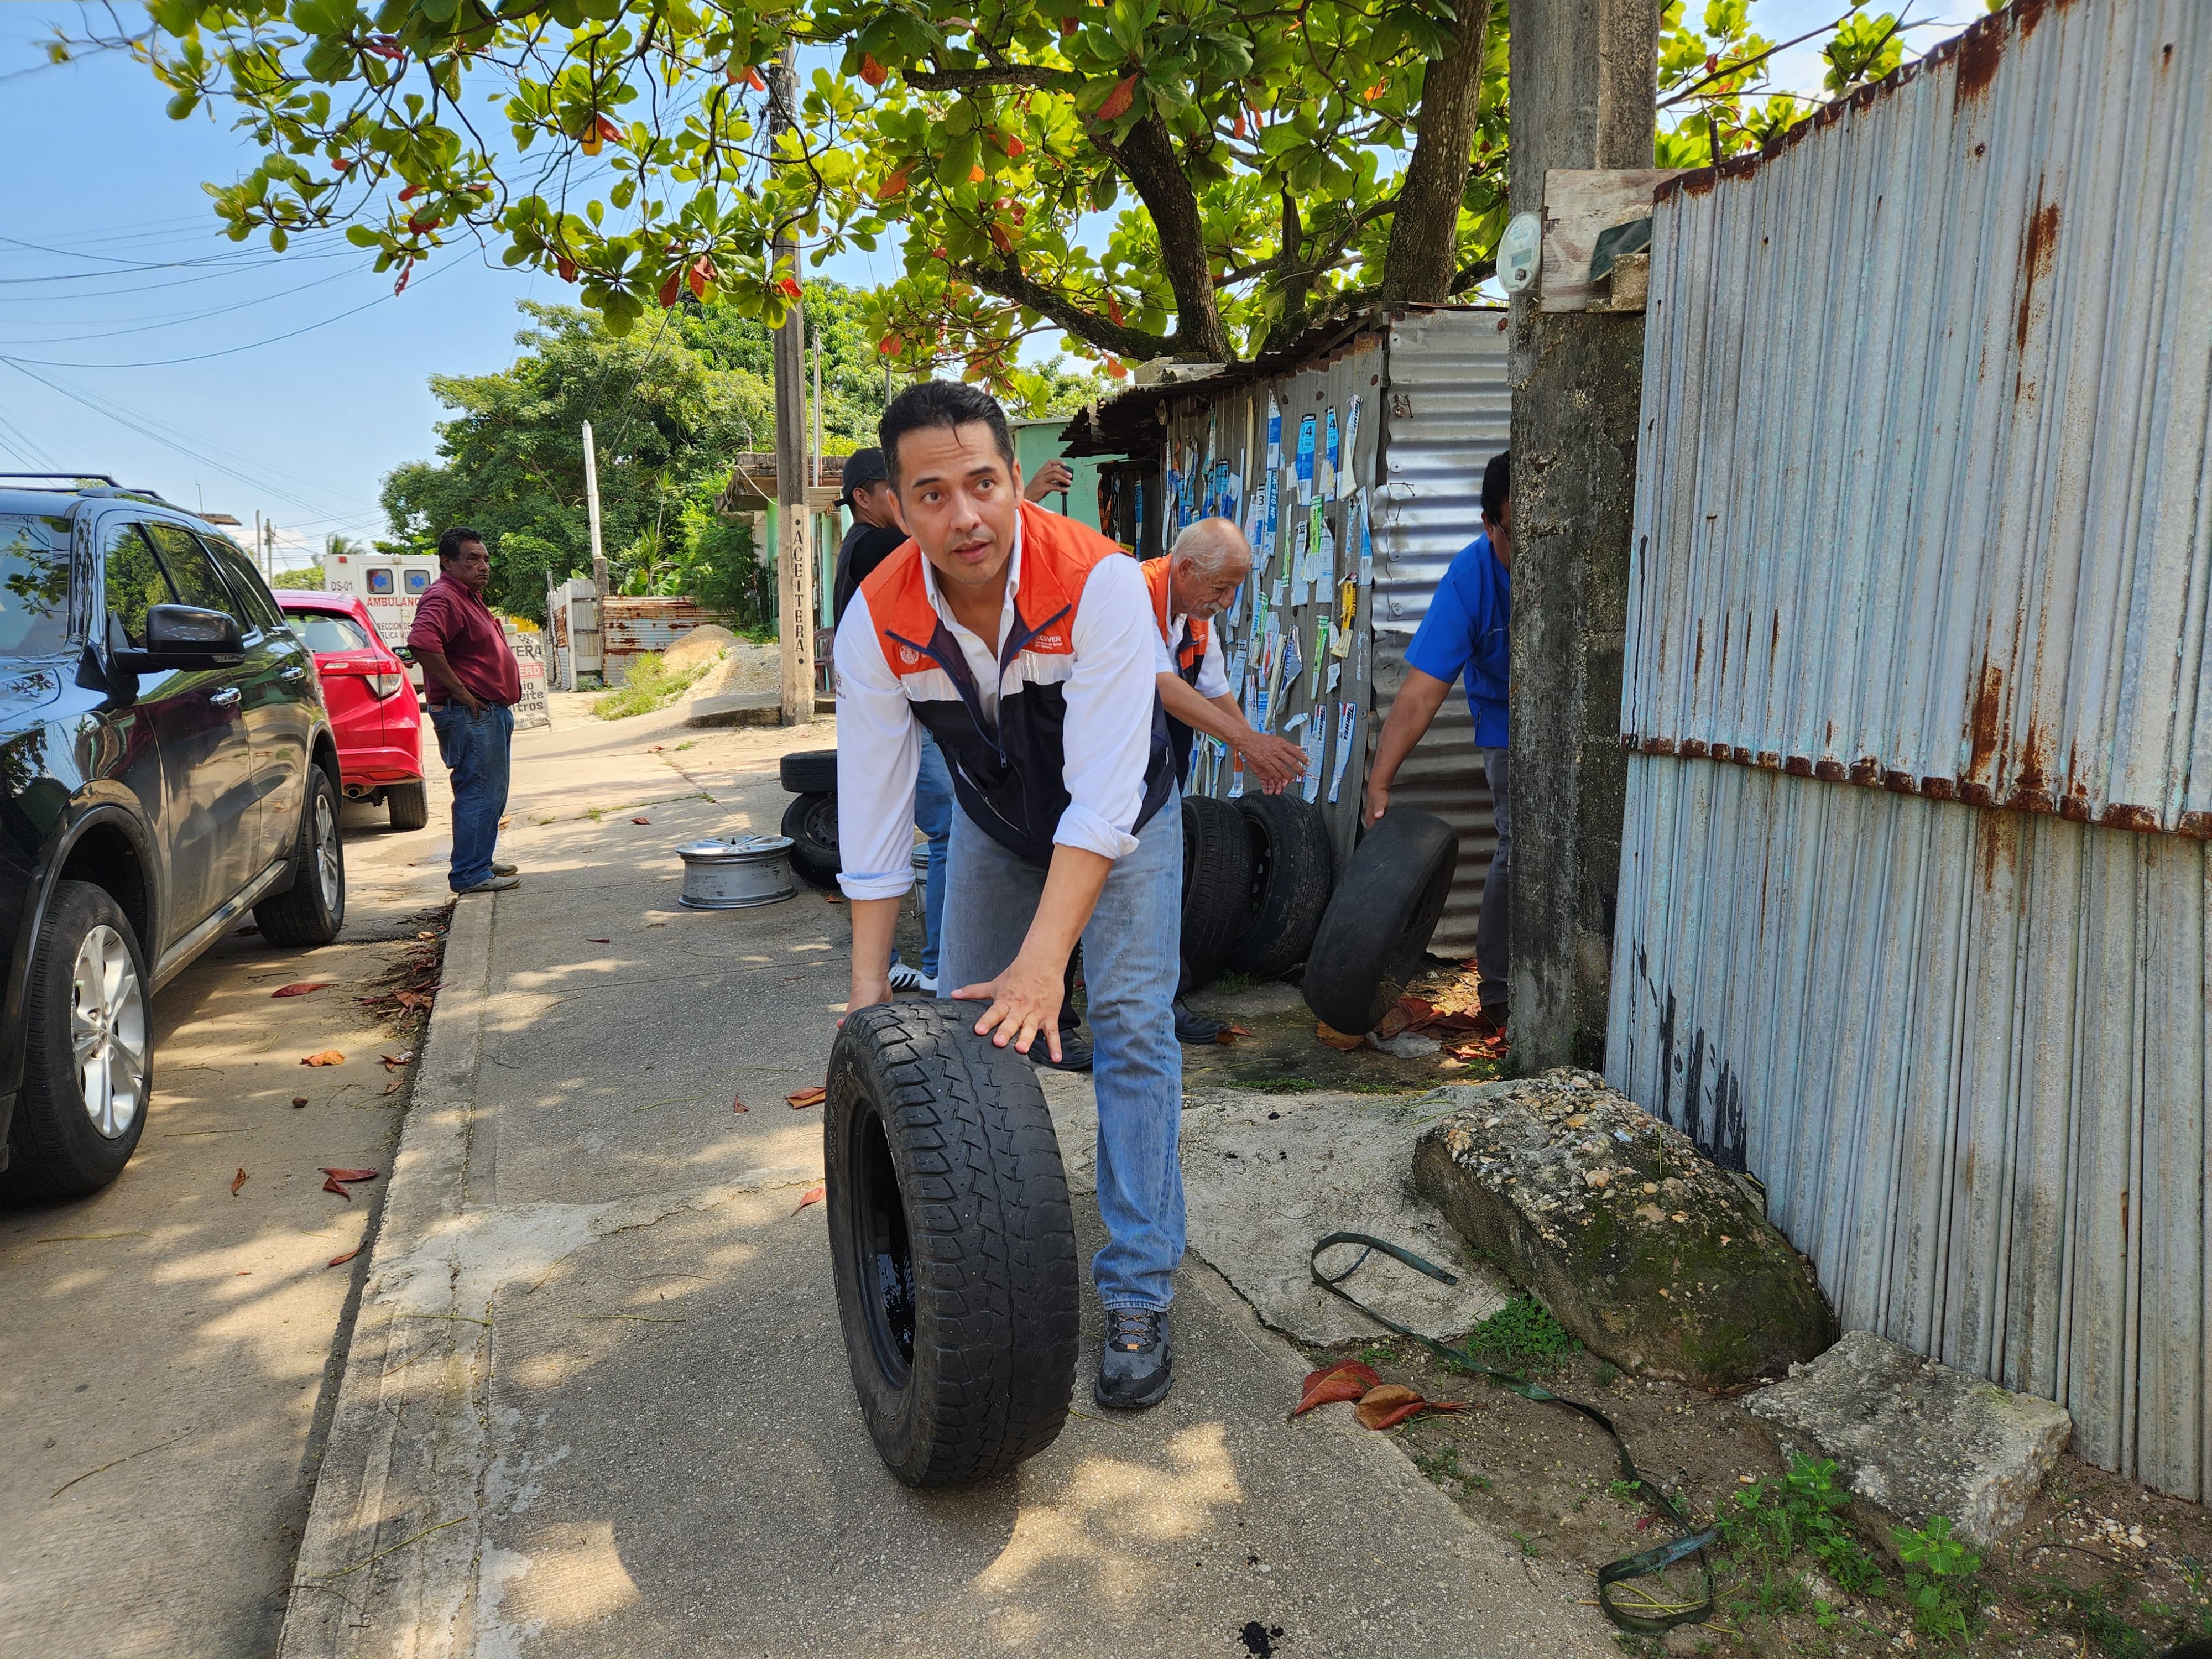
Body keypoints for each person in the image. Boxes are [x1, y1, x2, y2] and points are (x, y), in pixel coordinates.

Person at [835, 381, 1186, 1411]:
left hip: (1124, 820)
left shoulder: (1103, 583)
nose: (965, 516)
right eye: (931, 494)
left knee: (1127, 1026)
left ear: (1011, 480)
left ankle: (1137, 1290)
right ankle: (971, 1266)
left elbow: (1104, 800)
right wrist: (865, 990)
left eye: (983, 482)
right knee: (951, 1035)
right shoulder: (877, 619)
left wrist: (1045, 964)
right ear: (897, 506)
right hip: (995, 825)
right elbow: (875, 812)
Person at [1141, 518, 1308, 1042]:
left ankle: (1164, 1004)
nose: (1229, 602)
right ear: (1186, 569)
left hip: (1158, 770)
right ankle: (1058, 1019)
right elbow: (1163, 686)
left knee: (1161, 882)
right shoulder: (1130, 591)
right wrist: (1246, 743)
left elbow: (1212, 690)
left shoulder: (1194, 616)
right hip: (1096, 765)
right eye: (1222, 588)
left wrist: (1251, 748)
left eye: (1235, 588)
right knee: (1083, 881)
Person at [1363, 450, 1511, 1030]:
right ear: (1486, 524)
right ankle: (1499, 992)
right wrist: (1380, 780)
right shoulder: (1470, 577)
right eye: (1511, 532)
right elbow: (1420, 694)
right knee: (1516, 847)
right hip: (1506, 724)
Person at [831, 449, 951, 992]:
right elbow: (946, 555)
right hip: (894, 709)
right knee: (948, 823)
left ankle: (897, 962)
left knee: (892, 827)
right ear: (864, 496)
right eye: (894, 491)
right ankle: (939, 964)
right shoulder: (878, 544)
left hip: (887, 707)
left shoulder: (857, 547)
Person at [409, 528, 523, 895]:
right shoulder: (443, 596)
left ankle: (480, 861)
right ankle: (470, 874)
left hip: (487, 711)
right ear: (448, 562)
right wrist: (462, 692)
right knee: (478, 791)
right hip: (469, 712)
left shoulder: (469, 597)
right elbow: (422, 644)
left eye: (486, 558)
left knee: (492, 792)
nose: (483, 566)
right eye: (473, 558)